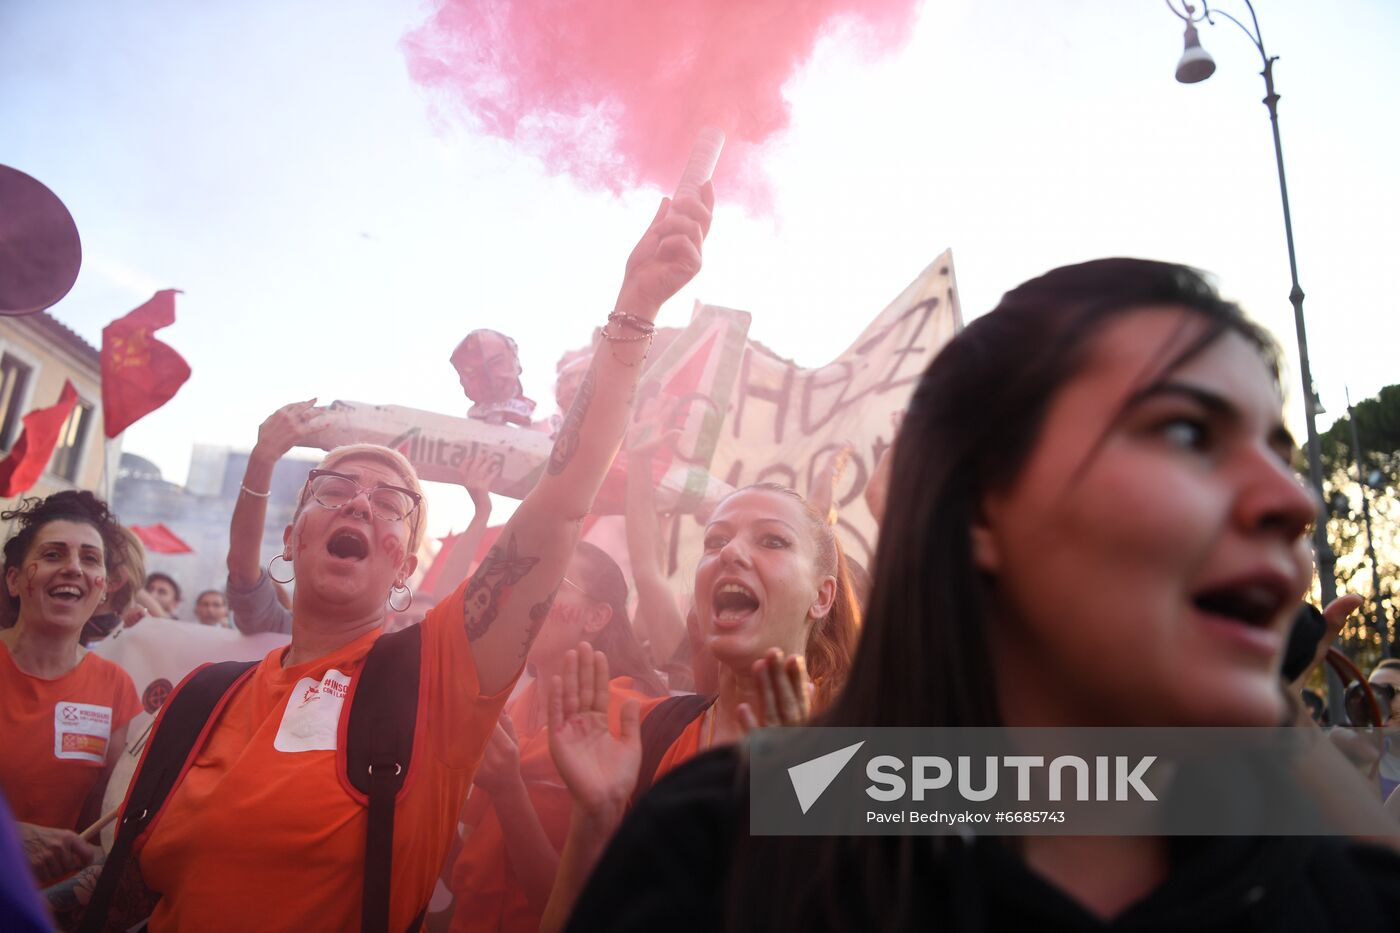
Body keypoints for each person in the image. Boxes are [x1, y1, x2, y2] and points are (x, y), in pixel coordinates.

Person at [564, 258, 1400, 931]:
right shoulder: (725, 838)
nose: (1294, 500)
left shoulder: (1322, 884)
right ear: (980, 504)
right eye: (1185, 431)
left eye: (1278, 453)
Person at [81, 182, 714, 931]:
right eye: (334, 489)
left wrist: (635, 305)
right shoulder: (199, 699)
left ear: (407, 568)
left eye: (390, 504)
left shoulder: (437, 682)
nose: (358, 503)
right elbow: (125, 893)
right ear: (291, 537)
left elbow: (561, 499)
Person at [539, 480, 862, 931]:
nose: (730, 552)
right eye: (715, 540)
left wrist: (792, 802)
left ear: (821, 596)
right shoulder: (654, 731)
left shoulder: (880, 760)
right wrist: (594, 819)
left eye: (773, 540)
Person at [446, 542, 666, 933]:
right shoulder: (511, 710)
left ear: (596, 616)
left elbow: (581, 910)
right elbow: (469, 874)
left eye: (553, 582)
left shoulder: (634, 725)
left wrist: (509, 789)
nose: (526, 595)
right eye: (527, 579)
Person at [0, 491, 140, 885]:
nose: (73, 568)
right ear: (14, 580)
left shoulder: (115, 687)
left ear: (103, 589)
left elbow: (99, 828)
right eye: (53, 555)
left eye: (90, 559)